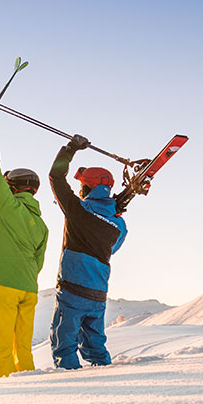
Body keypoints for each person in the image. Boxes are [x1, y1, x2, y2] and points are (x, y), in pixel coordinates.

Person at [0, 105, 49, 378]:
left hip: (4, 286)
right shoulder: (42, 225)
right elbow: (38, 262)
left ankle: (5, 395)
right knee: (24, 349)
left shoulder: (6, 206)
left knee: (1, 349)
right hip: (29, 290)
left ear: (12, 187)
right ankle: (28, 385)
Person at [47, 134, 127, 368]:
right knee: (95, 344)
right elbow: (113, 248)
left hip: (72, 289)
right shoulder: (119, 224)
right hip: (98, 293)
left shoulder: (77, 210)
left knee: (64, 344)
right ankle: (104, 375)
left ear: (86, 187)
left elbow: (55, 177)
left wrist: (70, 149)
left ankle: (70, 386)